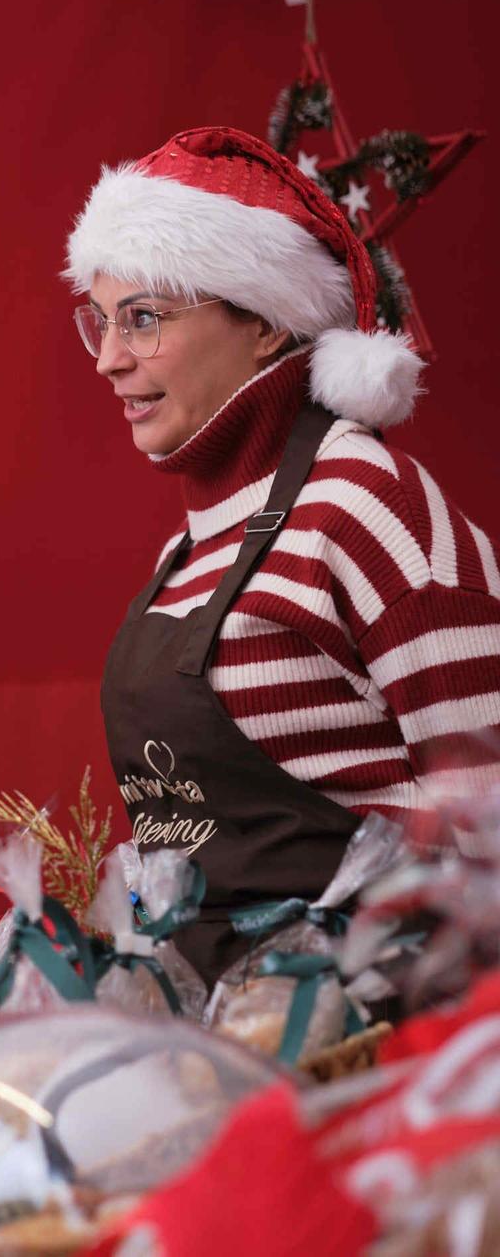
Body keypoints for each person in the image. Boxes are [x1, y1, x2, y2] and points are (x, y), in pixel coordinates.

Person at [66, 125, 500, 981]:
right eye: (102, 321)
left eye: (145, 320)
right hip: (222, 1047)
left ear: (265, 324)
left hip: (364, 1055)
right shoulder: (189, 545)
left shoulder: (368, 504)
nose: (111, 359)